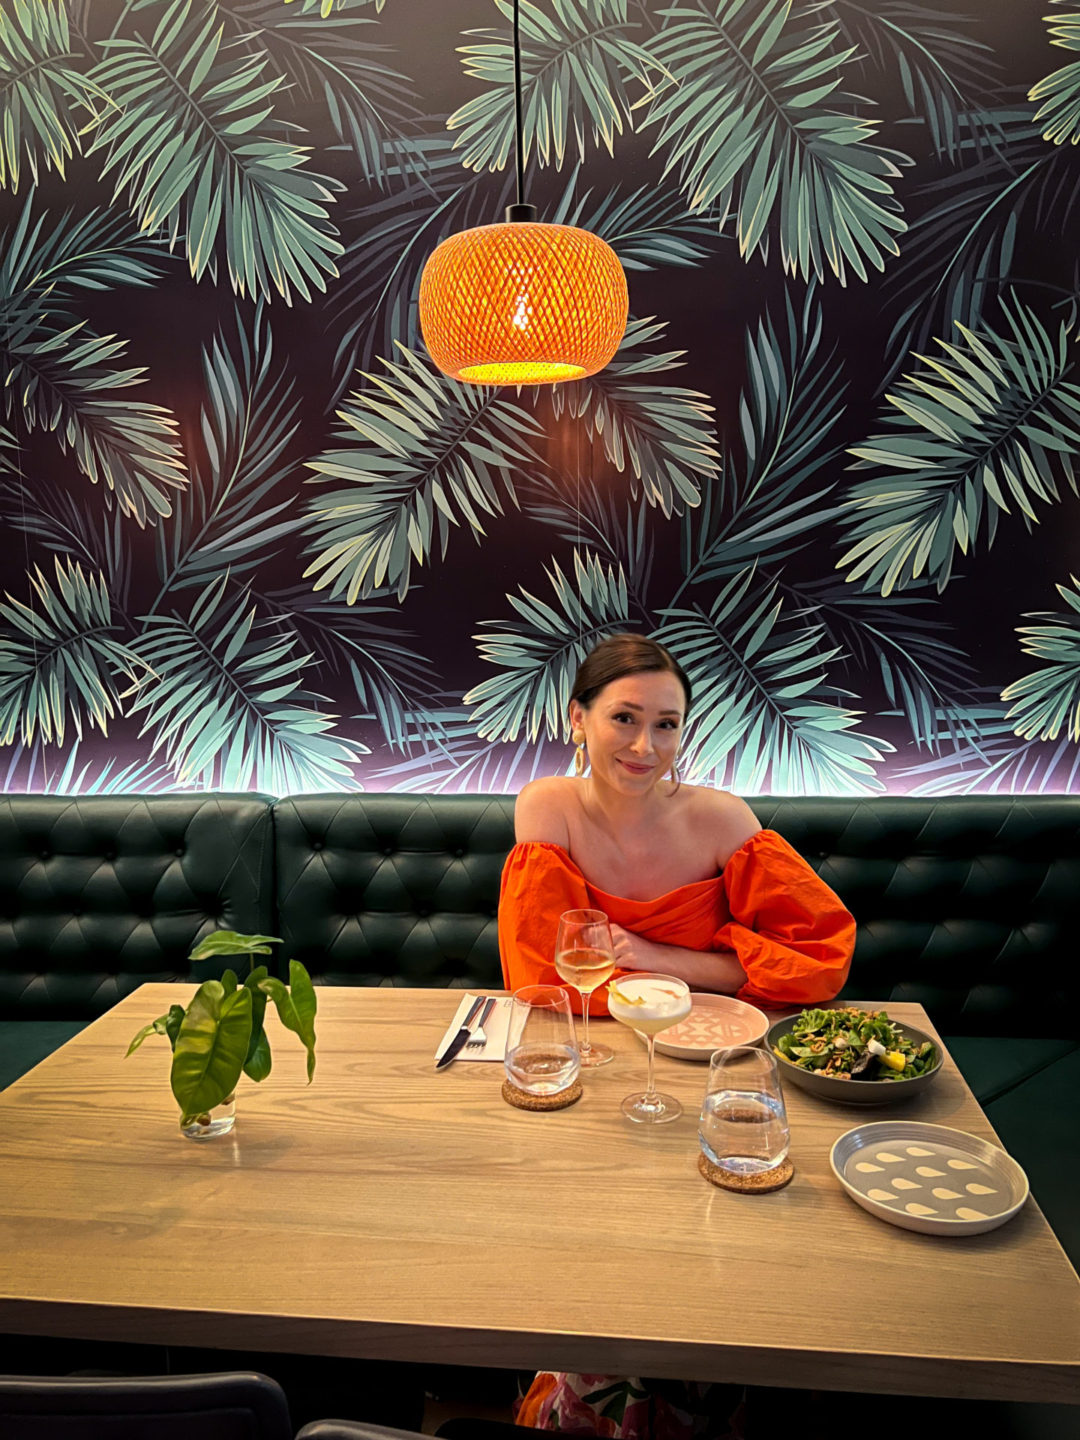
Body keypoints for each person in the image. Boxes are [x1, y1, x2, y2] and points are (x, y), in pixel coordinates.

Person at [497, 633, 856, 1439]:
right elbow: (542, 973)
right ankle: (583, 1394)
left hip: (712, 1065)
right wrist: (709, 967)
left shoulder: (723, 819)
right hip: (597, 1067)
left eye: (667, 724)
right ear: (577, 718)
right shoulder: (545, 806)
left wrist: (658, 958)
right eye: (624, 717)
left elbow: (819, 962)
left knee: (716, 1250)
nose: (645, 745)